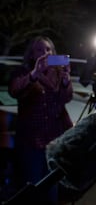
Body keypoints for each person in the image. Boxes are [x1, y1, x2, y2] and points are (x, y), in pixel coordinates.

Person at [8, 36, 73, 204]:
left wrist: (66, 81)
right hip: (31, 141)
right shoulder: (22, 73)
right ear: (31, 54)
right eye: (39, 50)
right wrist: (34, 74)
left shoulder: (57, 74)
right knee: (32, 186)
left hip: (53, 140)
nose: (44, 53)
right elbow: (14, 90)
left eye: (48, 50)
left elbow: (65, 99)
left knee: (52, 187)